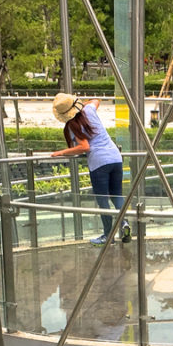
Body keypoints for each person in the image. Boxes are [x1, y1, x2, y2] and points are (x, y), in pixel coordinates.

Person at [50, 93, 130, 246]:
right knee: (116, 195)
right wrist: (80, 105)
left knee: (102, 200)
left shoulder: (72, 125)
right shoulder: (89, 110)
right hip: (115, 156)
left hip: (99, 162)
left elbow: (84, 147)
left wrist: (61, 153)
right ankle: (124, 223)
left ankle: (108, 235)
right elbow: (96, 100)